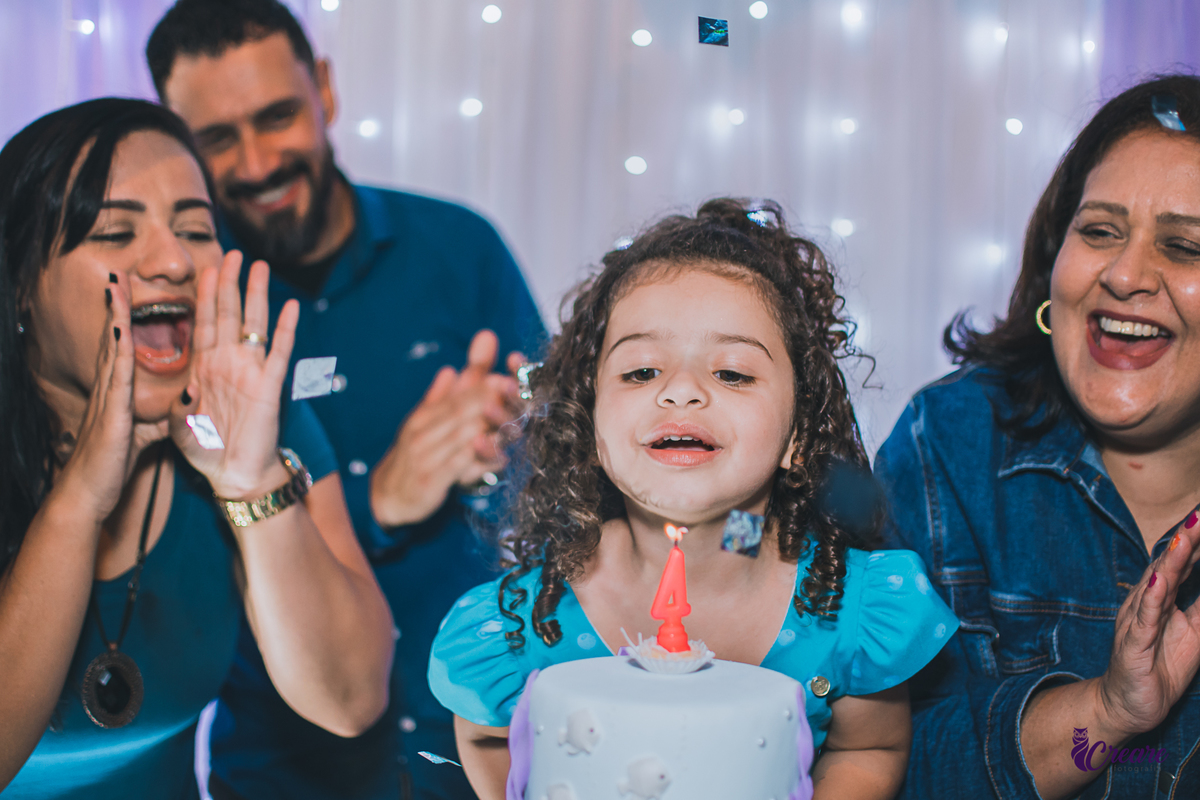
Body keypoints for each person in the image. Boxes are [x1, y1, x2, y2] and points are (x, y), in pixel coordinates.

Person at [429, 198, 961, 800]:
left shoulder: (850, 610)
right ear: (591, 427)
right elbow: (486, 738)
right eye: (640, 372)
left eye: (732, 373)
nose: (681, 390)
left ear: (799, 435)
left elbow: (868, 746)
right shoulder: (523, 624)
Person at [145, 2, 546, 797]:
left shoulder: (460, 249)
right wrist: (378, 502)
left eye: (277, 116)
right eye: (217, 138)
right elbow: (175, 560)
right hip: (281, 764)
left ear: (324, 91)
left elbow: (564, 479)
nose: (257, 161)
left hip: (481, 745)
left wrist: (513, 441)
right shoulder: (182, 308)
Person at [0, 98, 393, 798]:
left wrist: (251, 481)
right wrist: (81, 502)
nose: (175, 261)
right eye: (116, 232)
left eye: (196, 229)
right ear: (21, 287)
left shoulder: (254, 420)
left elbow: (350, 697)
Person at [874, 74, 1200, 799]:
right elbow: (890, 764)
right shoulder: (950, 442)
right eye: (1100, 232)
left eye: (1185, 247)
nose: (1123, 274)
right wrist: (1106, 712)